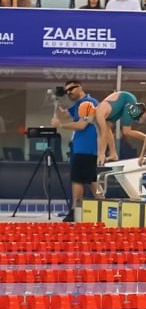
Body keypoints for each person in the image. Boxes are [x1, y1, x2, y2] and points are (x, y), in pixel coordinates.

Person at [52, 81, 99, 220]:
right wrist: (56, 102)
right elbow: (64, 115)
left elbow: (82, 125)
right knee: (90, 179)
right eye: (67, 90)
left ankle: (75, 210)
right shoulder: (79, 104)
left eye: (71, 88)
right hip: (80, 147)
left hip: (85, 147)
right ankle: (104, 207)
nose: (69, 92)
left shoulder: (89, 103)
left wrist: (60, 125)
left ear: (80, 87)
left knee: (77, 179)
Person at [92, 91, 146, 165]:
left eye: (85, 119)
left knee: (126, 131)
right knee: (107, 128)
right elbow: (100, 136)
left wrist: (102, 154)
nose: (86, 122)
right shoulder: (94, 118)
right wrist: (99, 153)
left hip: (127, 99)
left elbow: (103, 135)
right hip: (117, 106)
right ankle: (113, 154)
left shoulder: (99, 113)